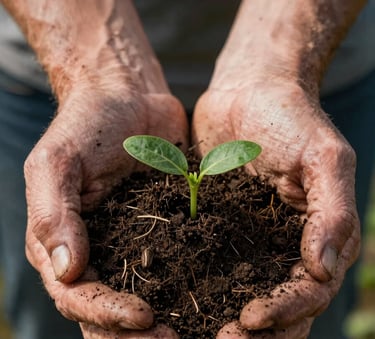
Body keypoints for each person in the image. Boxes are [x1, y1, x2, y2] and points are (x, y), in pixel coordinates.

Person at [0, 0, 374, 338]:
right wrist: (101, 75)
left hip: (314, 68)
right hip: (55, 70)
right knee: (53, 310)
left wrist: (278, 62)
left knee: (302, 312)